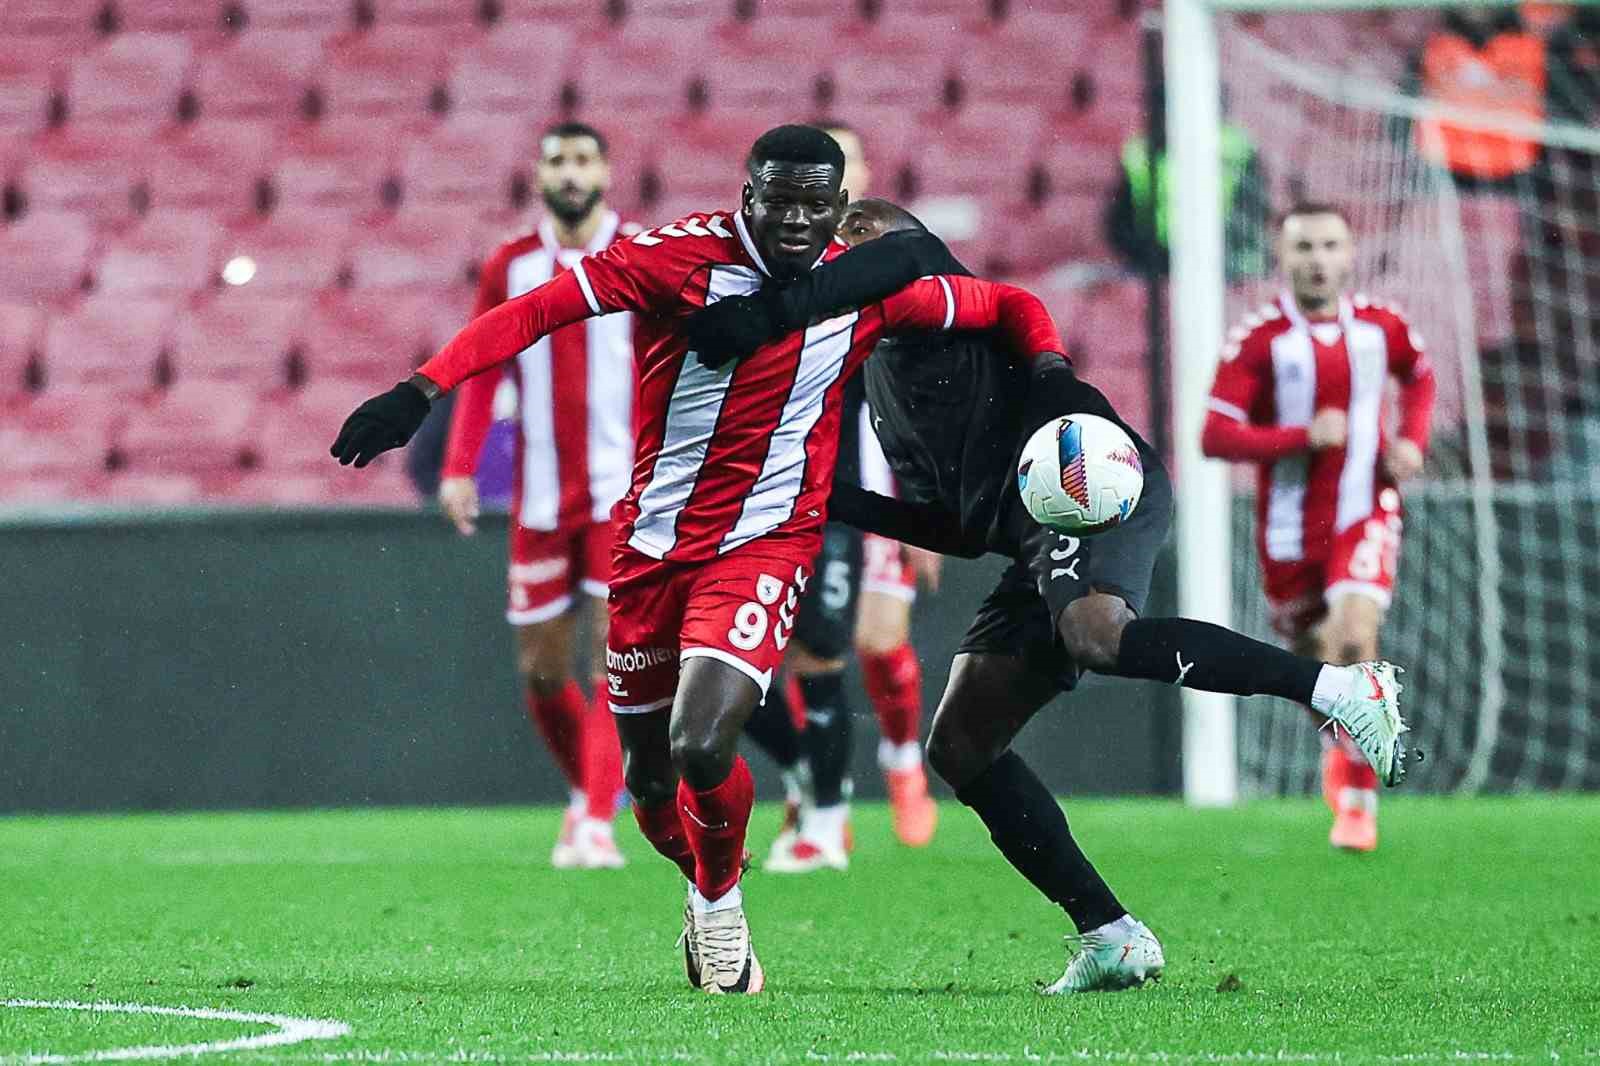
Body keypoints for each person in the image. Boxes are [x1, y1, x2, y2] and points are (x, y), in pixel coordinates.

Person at [331, 125, 1070, 995]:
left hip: (766, 542)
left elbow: (1006, 306)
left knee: (700, 740)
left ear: (837, 208)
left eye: (813, 204)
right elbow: (533, 312)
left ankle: (721, 909)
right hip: (649, 546)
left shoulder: (864, 291)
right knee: (649, 783)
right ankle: (702, 879)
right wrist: (421, 391)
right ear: (746, 194)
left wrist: (1055, 375)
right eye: (777, 200)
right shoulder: (669, 258)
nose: (794, 220)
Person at [682, 197, 1412, 994]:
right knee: (960, 744)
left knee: (1096, 632)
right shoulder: (884, 371)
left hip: (1081, 476)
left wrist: (1057, 386)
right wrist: (827, 497)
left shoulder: (928, 282)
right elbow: (961, 530)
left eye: (845, 238)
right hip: (1025, 529)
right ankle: (1112, 934)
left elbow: (976, 291)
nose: (832, 254)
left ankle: (1340, 686)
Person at [1201, 203, 1436, 853]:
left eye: (1331, 245)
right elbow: (1215, 435)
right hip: (1289, 528)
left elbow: (1420, 377)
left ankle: (1357, 793)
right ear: (1283, 257)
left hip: (1365, 506)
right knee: (1313, 659)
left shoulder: (1382, 328)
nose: (1318, 259)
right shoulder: (1258, 338)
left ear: (1351, 254)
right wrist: (1301, 436)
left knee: (1355, 633)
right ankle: (1338, 745)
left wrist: (1411, 442)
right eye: (1304, 247)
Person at [435, 122, 639, 869]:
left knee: (612, 663)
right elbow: (485, 367)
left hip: (626, 496)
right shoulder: (511, 266)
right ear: (538, 175)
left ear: (608, 173)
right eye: (557, 159)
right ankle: (591, 792)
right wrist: (460, 466)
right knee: (542, 673)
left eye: (584, 158)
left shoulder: (640, 256)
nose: (571, 172)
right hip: (543, 498)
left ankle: (592, 820)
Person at [741, 120, 940, 874]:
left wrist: (923, 508)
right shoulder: (761, 267)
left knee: (854, 643)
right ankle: (814, 782)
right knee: (732, 663)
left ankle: (878, 776)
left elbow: (918, 392)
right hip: (755, 494)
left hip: (853, 498)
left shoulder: (886, 271)